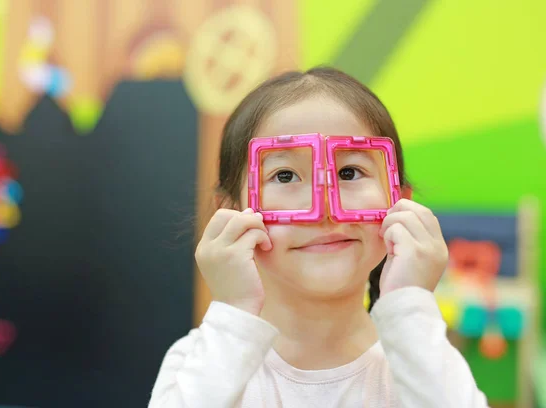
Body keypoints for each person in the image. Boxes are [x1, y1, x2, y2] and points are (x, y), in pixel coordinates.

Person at [149, 67, 488, 407]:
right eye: (284, 176)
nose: (324, 207)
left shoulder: (424, 361)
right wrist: (234, 311)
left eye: (349, 172)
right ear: (231, 214)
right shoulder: (200, 362)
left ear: (400, 202)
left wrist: (408, 302)